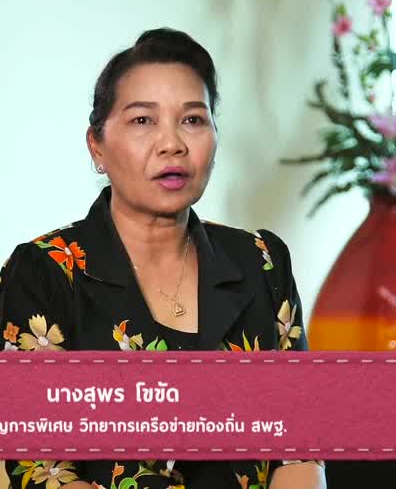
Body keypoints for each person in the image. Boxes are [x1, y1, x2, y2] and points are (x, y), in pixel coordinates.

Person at [0, 28, 326, 489]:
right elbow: (38, 468)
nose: (172, 143)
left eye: (192, 119)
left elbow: (300, 449)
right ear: (97, 145)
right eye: (142, 120)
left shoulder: (261, 261)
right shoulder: (44, 272)